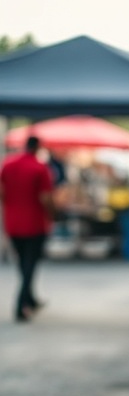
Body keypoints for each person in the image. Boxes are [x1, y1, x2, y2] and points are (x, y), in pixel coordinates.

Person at [0, 135, 55, 322]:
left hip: (13, 222)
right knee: (30, 264)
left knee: (23, 262)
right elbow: (46, 198)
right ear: (38, 147)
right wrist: (53, 215)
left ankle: (30, 299)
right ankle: (21, 305)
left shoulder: (8, 164)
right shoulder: (40, 168)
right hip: (35, 223)